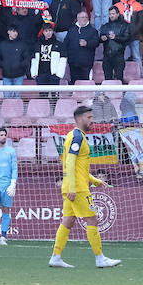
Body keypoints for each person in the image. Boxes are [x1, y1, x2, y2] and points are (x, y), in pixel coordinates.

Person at [49, 104, 121, 269]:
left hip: (71, 185)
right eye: (89, 118)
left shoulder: (73, 135)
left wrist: (95, 180)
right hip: (77, 188)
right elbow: (70, 162)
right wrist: (74, 188)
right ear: (80, 119)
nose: (92, 121)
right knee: (92, 219)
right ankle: (100, 258)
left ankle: (56, 256)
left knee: (68, 220)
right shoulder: (77, 137)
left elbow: (78, 167)